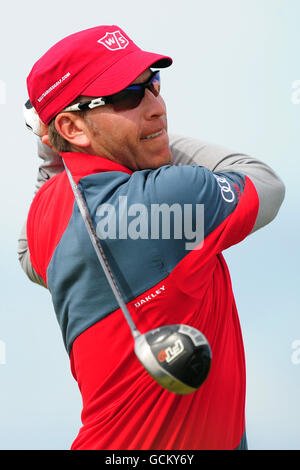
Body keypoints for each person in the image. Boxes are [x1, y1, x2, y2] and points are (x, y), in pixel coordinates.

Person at [18, 25, 285, 450]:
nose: (156, 107)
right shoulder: (171, 196)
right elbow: (265, 183)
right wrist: (149, 142)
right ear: (73, 127)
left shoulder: (46, 212)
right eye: (126, 96)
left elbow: (30, 258)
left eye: (152, 84)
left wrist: (62, 145)